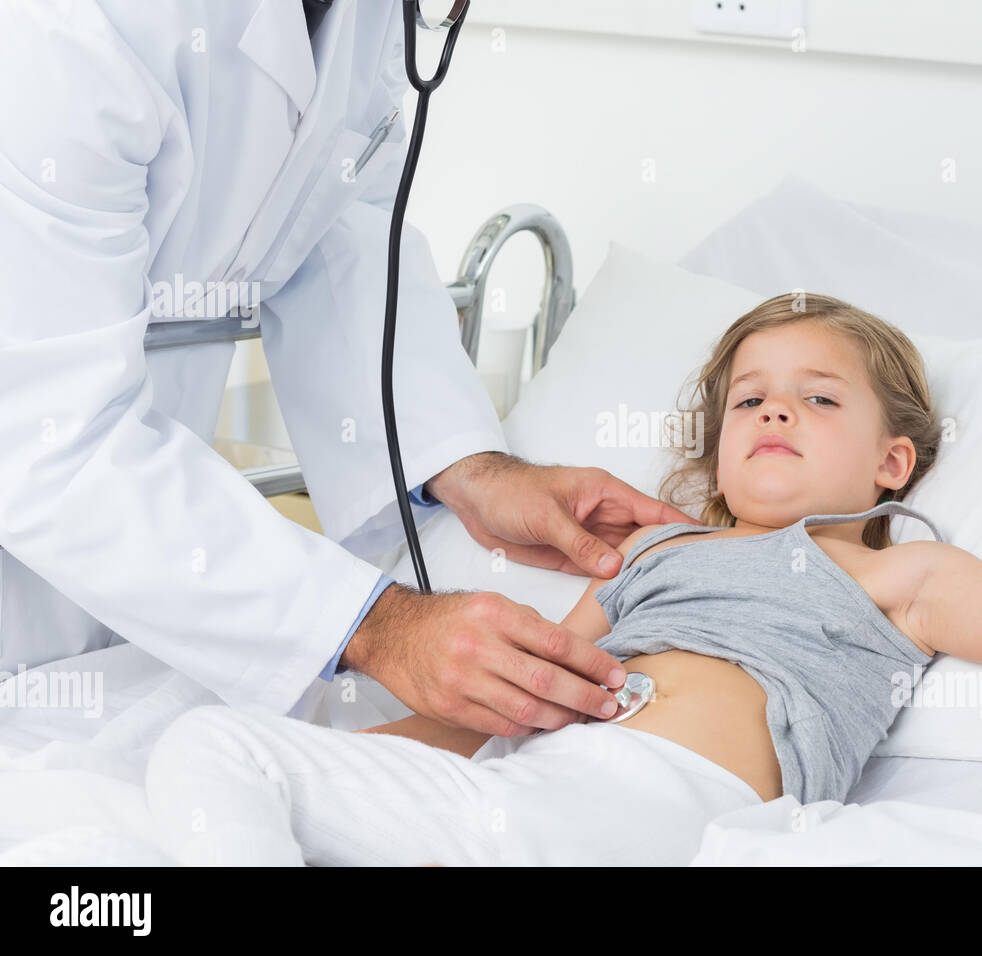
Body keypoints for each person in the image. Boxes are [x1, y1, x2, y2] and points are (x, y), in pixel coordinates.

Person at [143, 293, 982, 865]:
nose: (776, 410)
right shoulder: (652, 554)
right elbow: (506, 699)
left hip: (657, 803)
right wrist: (365, 768)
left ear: (891, 463)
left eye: (817, 396)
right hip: (516, 792)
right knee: (213, 746)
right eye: (751, 398)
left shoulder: (889, 574)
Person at [0, 0, 696, 738]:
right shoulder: (68, 28)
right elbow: (50, 436)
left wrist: (468, 467)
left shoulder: (362, 19)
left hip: (134, 603)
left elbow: (332, 224)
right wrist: (376, 627)